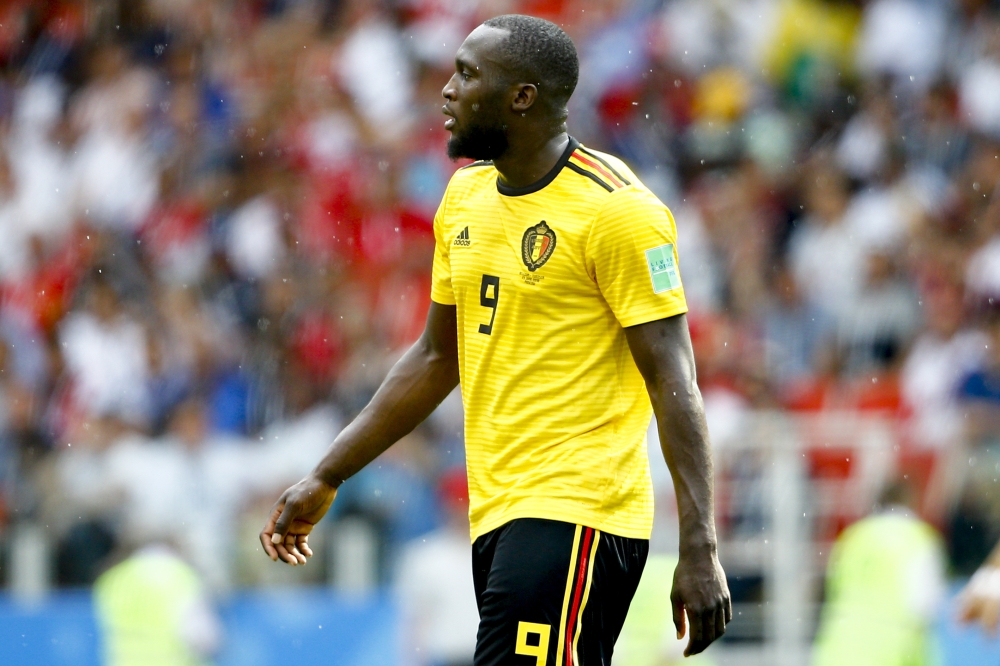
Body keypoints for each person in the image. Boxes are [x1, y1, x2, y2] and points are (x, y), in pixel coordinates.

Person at [260, 14, 730, 664]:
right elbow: (434, 356)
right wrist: (328, 474)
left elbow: (674, 380)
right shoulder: (465, 198)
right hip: (500, 516)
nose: (448, 91)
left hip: (578, 513)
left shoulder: (618, 211)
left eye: (467, 74)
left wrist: (700, 544)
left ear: (522, 96)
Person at [812, 480, 945, 666]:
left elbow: (833, 588)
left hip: (839, 649)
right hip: (891, 653)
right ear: (912, 500)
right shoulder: (918, 538)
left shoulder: (854, 536)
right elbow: (926, 603)